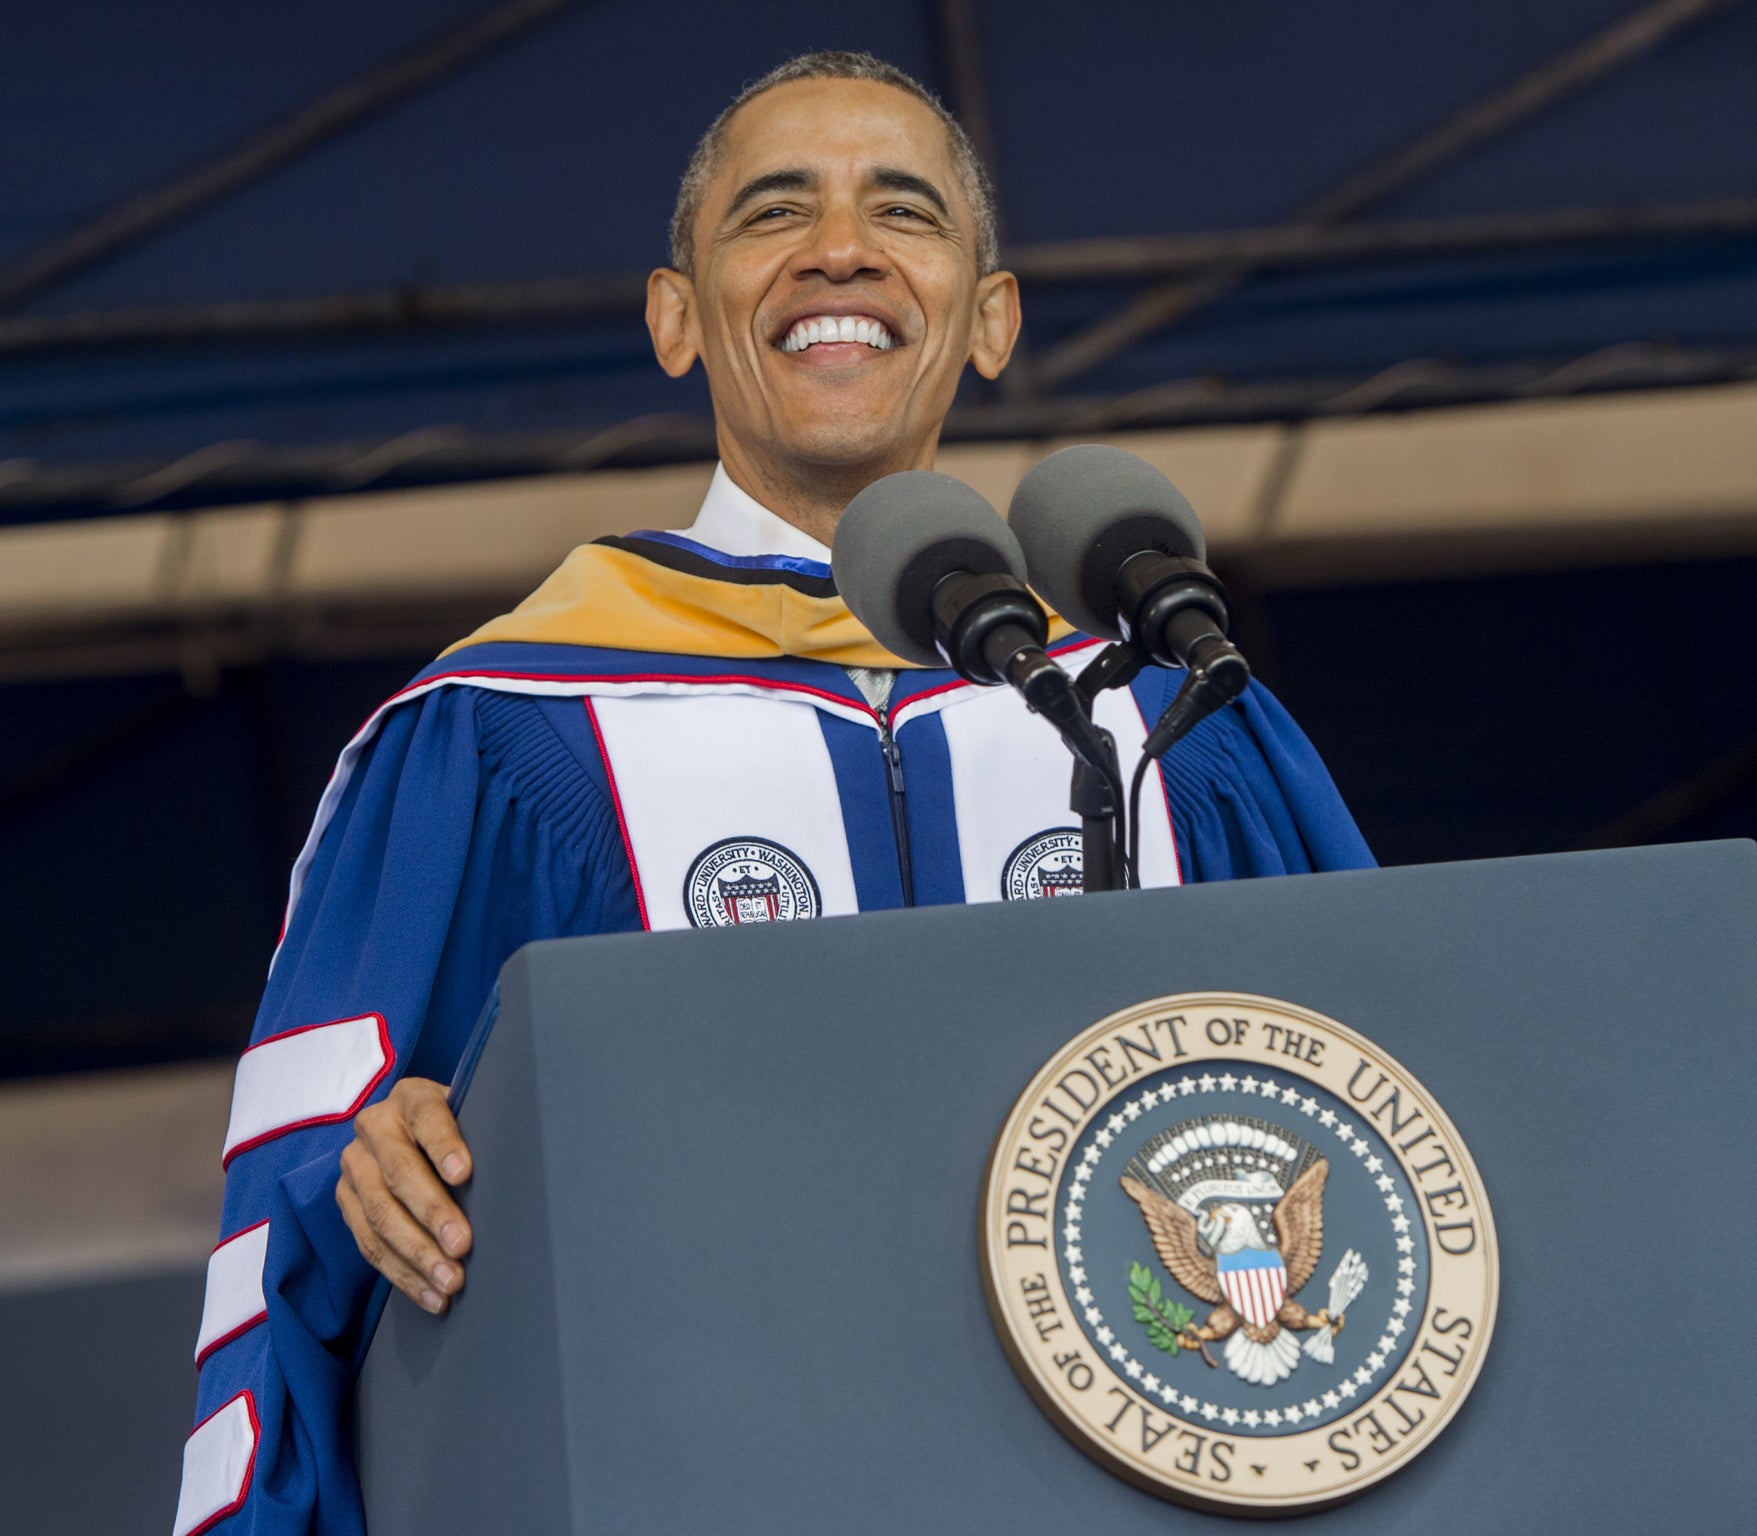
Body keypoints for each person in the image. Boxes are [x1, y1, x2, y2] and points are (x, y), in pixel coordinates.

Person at [174, 51, 1374, 1536]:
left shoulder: (1163, 719)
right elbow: (306, 1182)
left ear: (992, 319)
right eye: (774, 212)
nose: (841, 249)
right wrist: (373, 1166)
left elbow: (1379, 1119)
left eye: (906, 212)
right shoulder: (514, 727)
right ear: (675, 319)